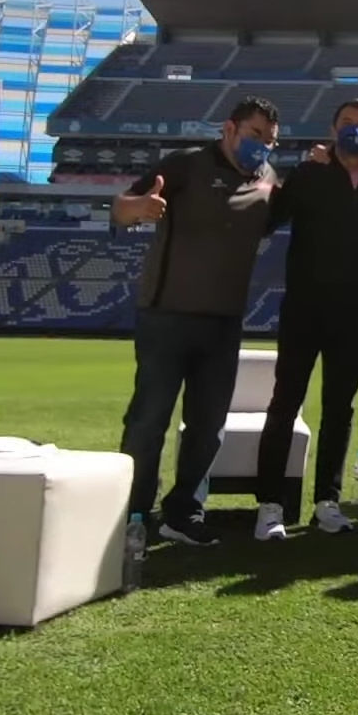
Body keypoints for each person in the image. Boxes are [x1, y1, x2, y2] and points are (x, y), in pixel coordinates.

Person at [111, 95, 283, 547]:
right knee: (149, 420)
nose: (263, 145)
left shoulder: (269, 179)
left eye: (270, 139)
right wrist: (139, 208)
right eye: (255, 134)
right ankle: (132, 512)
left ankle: (183, 513)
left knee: (208, 427)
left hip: (224, 323)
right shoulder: (186, 164)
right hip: (166, 315)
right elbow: (121, 206)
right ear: (229, 129)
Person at [250, 99, 358, 541]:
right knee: (285, 403)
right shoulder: (309, 174)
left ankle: (327, 502)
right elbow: (269, 218)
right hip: (304, 309)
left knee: (339, 409)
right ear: (332, 131)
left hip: (355, 314)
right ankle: (270, 505)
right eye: (346, 123)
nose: (354, 130)